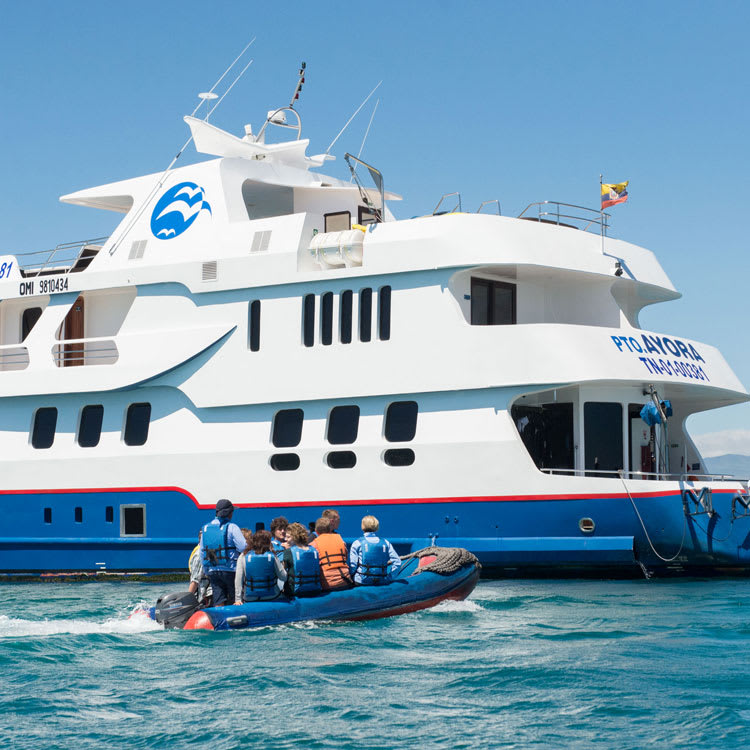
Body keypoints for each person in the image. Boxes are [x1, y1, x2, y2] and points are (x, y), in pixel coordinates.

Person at [200, 499, 247, 606]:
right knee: (236, 600)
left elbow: (202, 553)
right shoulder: (232, 527)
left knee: (219, 600)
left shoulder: (206, 529)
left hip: (213, 571)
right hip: (231, 570)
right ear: (229, 513)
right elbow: (243, 547)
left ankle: (219, 613)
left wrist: (206, 571)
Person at [234, 529, 287, 604]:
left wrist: (238, 599)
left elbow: (238, 579)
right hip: (272, 597)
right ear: (268, 543)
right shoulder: (272, 556)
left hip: (250, 598)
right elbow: (283, 577)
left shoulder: (243, 556)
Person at [349, 515, 401, 585]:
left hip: (361, 581)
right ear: (376, 526)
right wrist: (390, 577)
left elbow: (353, 565)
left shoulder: (357, 543)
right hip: (382, 580)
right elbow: (397, 562)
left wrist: (351, 576)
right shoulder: (386, 543)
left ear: (362, 526)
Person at [311, 516, 352, 591]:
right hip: (345, 581)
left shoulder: (313, 545)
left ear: (316, 531)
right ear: (330, 529)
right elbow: (345, 557)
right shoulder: (341, 540)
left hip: (327, 585)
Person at [282, 522, 321, 597]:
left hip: (294, 591)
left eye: (288, 537)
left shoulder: (289, 552)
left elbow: (282, 574)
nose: (285, 539)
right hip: (314, 589)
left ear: (295, 537)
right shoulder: (314, 550)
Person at [188, 531, 212, 605]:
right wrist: (187, 600)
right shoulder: (200, 555)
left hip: (209, 592)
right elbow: (195, 581)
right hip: (204, 595)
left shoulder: (207, 552)